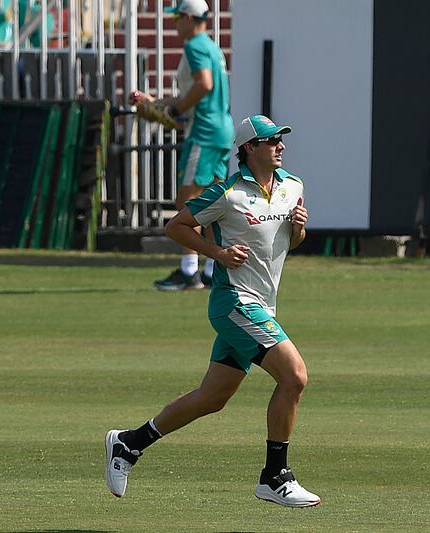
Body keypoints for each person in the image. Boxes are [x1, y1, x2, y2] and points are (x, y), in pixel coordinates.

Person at [105, 115, 320, 508]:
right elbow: (177, 226)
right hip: (234, 303)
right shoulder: (228, 192)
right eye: (271, 140)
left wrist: (300, 228)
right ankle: (275, 476)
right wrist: (218, 253)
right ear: (249, 148)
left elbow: (291, 242)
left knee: (211, 398)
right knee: (295, 377)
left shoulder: (293, 186)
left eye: (281, 139)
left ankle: (129, 444)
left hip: (263, 304)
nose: (280, 145)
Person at [131, 0, 234, 290]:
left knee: (188, 205)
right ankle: (213, 272)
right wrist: (156, 104)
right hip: (220, 128)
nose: (175, 23)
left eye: (178, 17)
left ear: (189, 18)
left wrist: (173, 110)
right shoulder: (212, 46)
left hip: (203, 131)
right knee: (215, 203)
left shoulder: (195, 45)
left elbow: (204, 84)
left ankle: (189, 271)